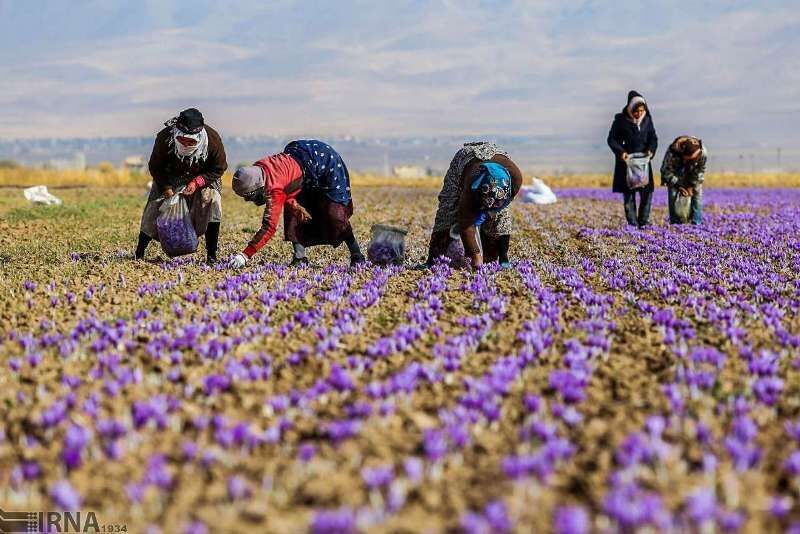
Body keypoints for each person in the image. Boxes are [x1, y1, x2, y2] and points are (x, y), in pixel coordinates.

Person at [227, 140, 364, 268]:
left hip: (325, 161)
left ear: (257, 189)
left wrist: (245, 255)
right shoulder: (259, 170)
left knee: (335, 214)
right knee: (294, 212)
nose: (248, 201)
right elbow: (287, 187)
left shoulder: (274, 188)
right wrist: (295, 205)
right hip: (302, 164)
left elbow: (269, 226)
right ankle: (299, 258)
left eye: (248, 197)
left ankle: (356, 254)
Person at [135, 108, 227, 262]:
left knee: (213, 202)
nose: (186, 144)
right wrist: (166, 188)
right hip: (169, 177)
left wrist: (197, 182)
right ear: (176, 133)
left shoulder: (212, 141)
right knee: (153, 208)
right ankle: (139, 252)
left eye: (191, 142)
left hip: (203, 177)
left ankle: (211, 255)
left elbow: (219, 168)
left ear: (199, 137)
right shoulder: (165, 138)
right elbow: (155, 167)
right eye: (182, 140)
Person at [420, 142, 523, 269]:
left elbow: (506, 201)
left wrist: (489, 212)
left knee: (501, 216)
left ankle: (500, 257)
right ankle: (434, 259)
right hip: (464, 161)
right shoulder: (470, 185)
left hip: (494, 156)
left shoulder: (515, 178)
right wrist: (475, 255)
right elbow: (465, 222)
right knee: (447, 209)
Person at [607, 91, 658, 227]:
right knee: (629, 194)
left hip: (643, 162)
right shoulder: (621, 120)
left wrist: (651, 150)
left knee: (646, 192)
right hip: (627, 162)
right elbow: (612, 139)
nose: (639, 114)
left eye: (642, 110)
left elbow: (653, 138)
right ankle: (632, 223)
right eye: (637, 111)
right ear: (631, 109)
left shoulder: (647, 120)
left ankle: (644, 221)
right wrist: (621, 152)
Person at [661, 136, 707, 225]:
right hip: (675, 172)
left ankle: (696, 222)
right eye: (688, 159)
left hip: (693, 172)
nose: (690, 161)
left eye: (693, 160)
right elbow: (665, 171)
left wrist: (691, 185)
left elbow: (700, 171)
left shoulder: (702, 152)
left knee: (697, 192)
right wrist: (679, 186)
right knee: (673, 193)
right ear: (683, 155)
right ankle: (676, 223)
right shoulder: (672, 152)